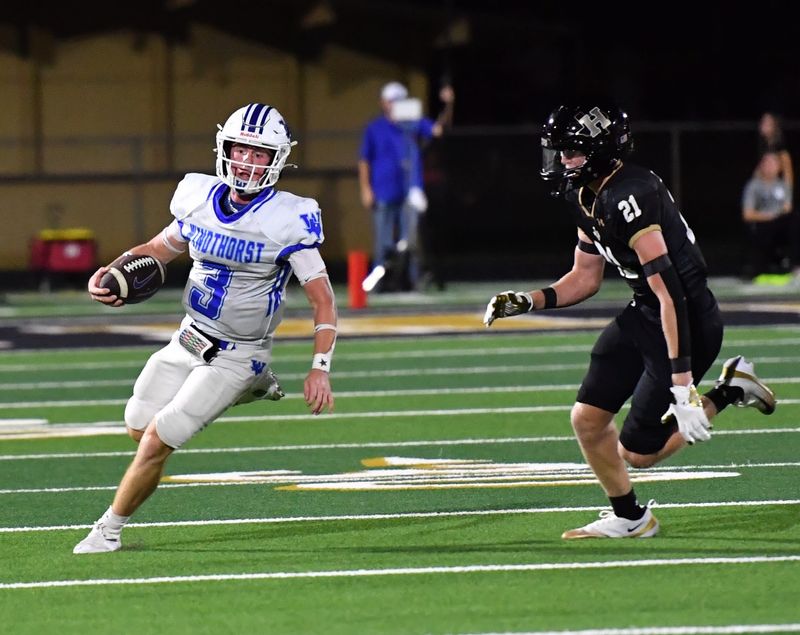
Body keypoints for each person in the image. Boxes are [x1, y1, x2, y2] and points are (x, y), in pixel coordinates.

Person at [483, 105, 777, 539]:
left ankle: (731, 390)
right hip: (645, 311)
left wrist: (683, 386)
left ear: (600, 151)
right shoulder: (586, 193)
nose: (562, 160)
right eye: (559, 151)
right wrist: (529, 301)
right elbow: (584, 278)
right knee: (587, 419)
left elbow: (670, 292)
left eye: (572, 152)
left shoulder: (631, 196)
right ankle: (631, 517)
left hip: (687, 319)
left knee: (639, 452)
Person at [73, 102, 337, 554]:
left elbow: (323, 299)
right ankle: (251, 388)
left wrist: (320, 368)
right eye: (241, 150)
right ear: (224, 148)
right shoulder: (198, 199)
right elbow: (158, 248)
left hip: (240, 350)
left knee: (157, 441)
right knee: (138, 425)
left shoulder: (288, 218)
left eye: (259, 154)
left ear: (277, 160)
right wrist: (113, 269)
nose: (247, 162)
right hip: (189, 335)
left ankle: (109, 529)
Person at [358, 80, 454, 291]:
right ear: (384, 102)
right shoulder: (375, 127)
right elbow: (364, 160)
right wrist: (366, 188)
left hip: (409, 191)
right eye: (391, 101)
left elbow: (438, 130)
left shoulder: (413, 123)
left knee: (410, 241)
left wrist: (448, 105)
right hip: (383, 191)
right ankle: (378, 284)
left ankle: (413, 283)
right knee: (383, 243)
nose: (394, 105)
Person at [741, 151, 793, 278]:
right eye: (767, 163)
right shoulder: (754, 186)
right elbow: (747, 214)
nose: (770, 166)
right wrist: (769, 217)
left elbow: (787, 208)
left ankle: (793, 264)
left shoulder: (782, 186)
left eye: (773, 163)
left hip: (780, 225)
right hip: (762, 225)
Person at [756, 112, 793, 190]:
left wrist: (787, 200)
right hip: (764, 192)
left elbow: (788, 175)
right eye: (762, 121)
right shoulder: (765, 146)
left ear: (774, 126)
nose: (762, 124)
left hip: (776, 194)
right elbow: (759, 171)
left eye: (767, 122)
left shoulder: (781, 148)